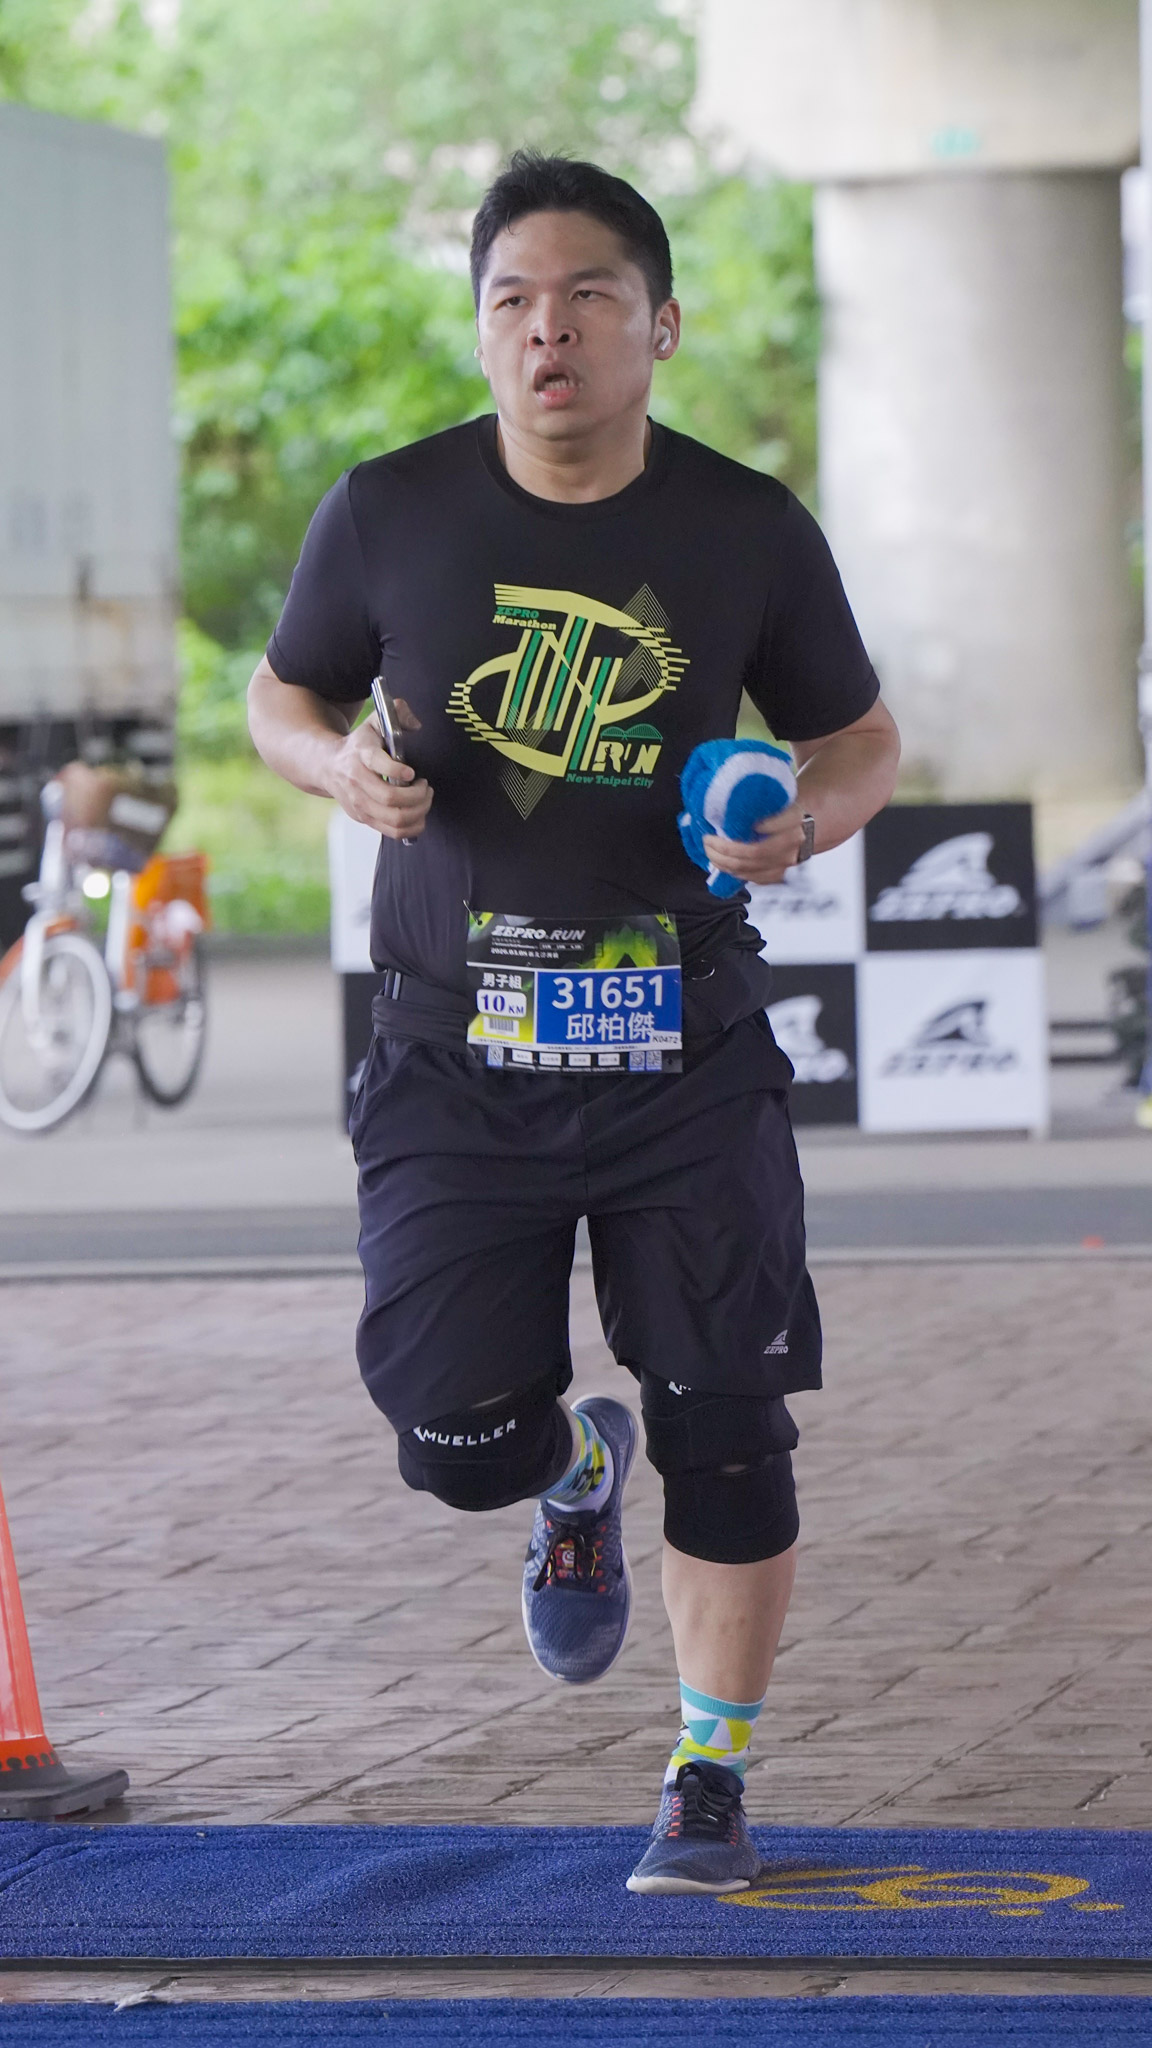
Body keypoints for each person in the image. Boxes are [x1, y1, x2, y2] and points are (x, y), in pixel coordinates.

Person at [248, 150, 900, 1895]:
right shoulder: (388, 511)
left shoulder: (745, 527)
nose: (549, 331)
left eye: (589, 297)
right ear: (481, 332)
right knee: (454, 1441)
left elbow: (860, 737)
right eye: (513, 302)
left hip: (687, 1052)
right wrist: (334, 766)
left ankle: (708, 1773)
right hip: (456, 1055)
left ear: (659, 327)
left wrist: (807, 818)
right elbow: (281, 694)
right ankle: (560, 1473)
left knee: (729, 1427)